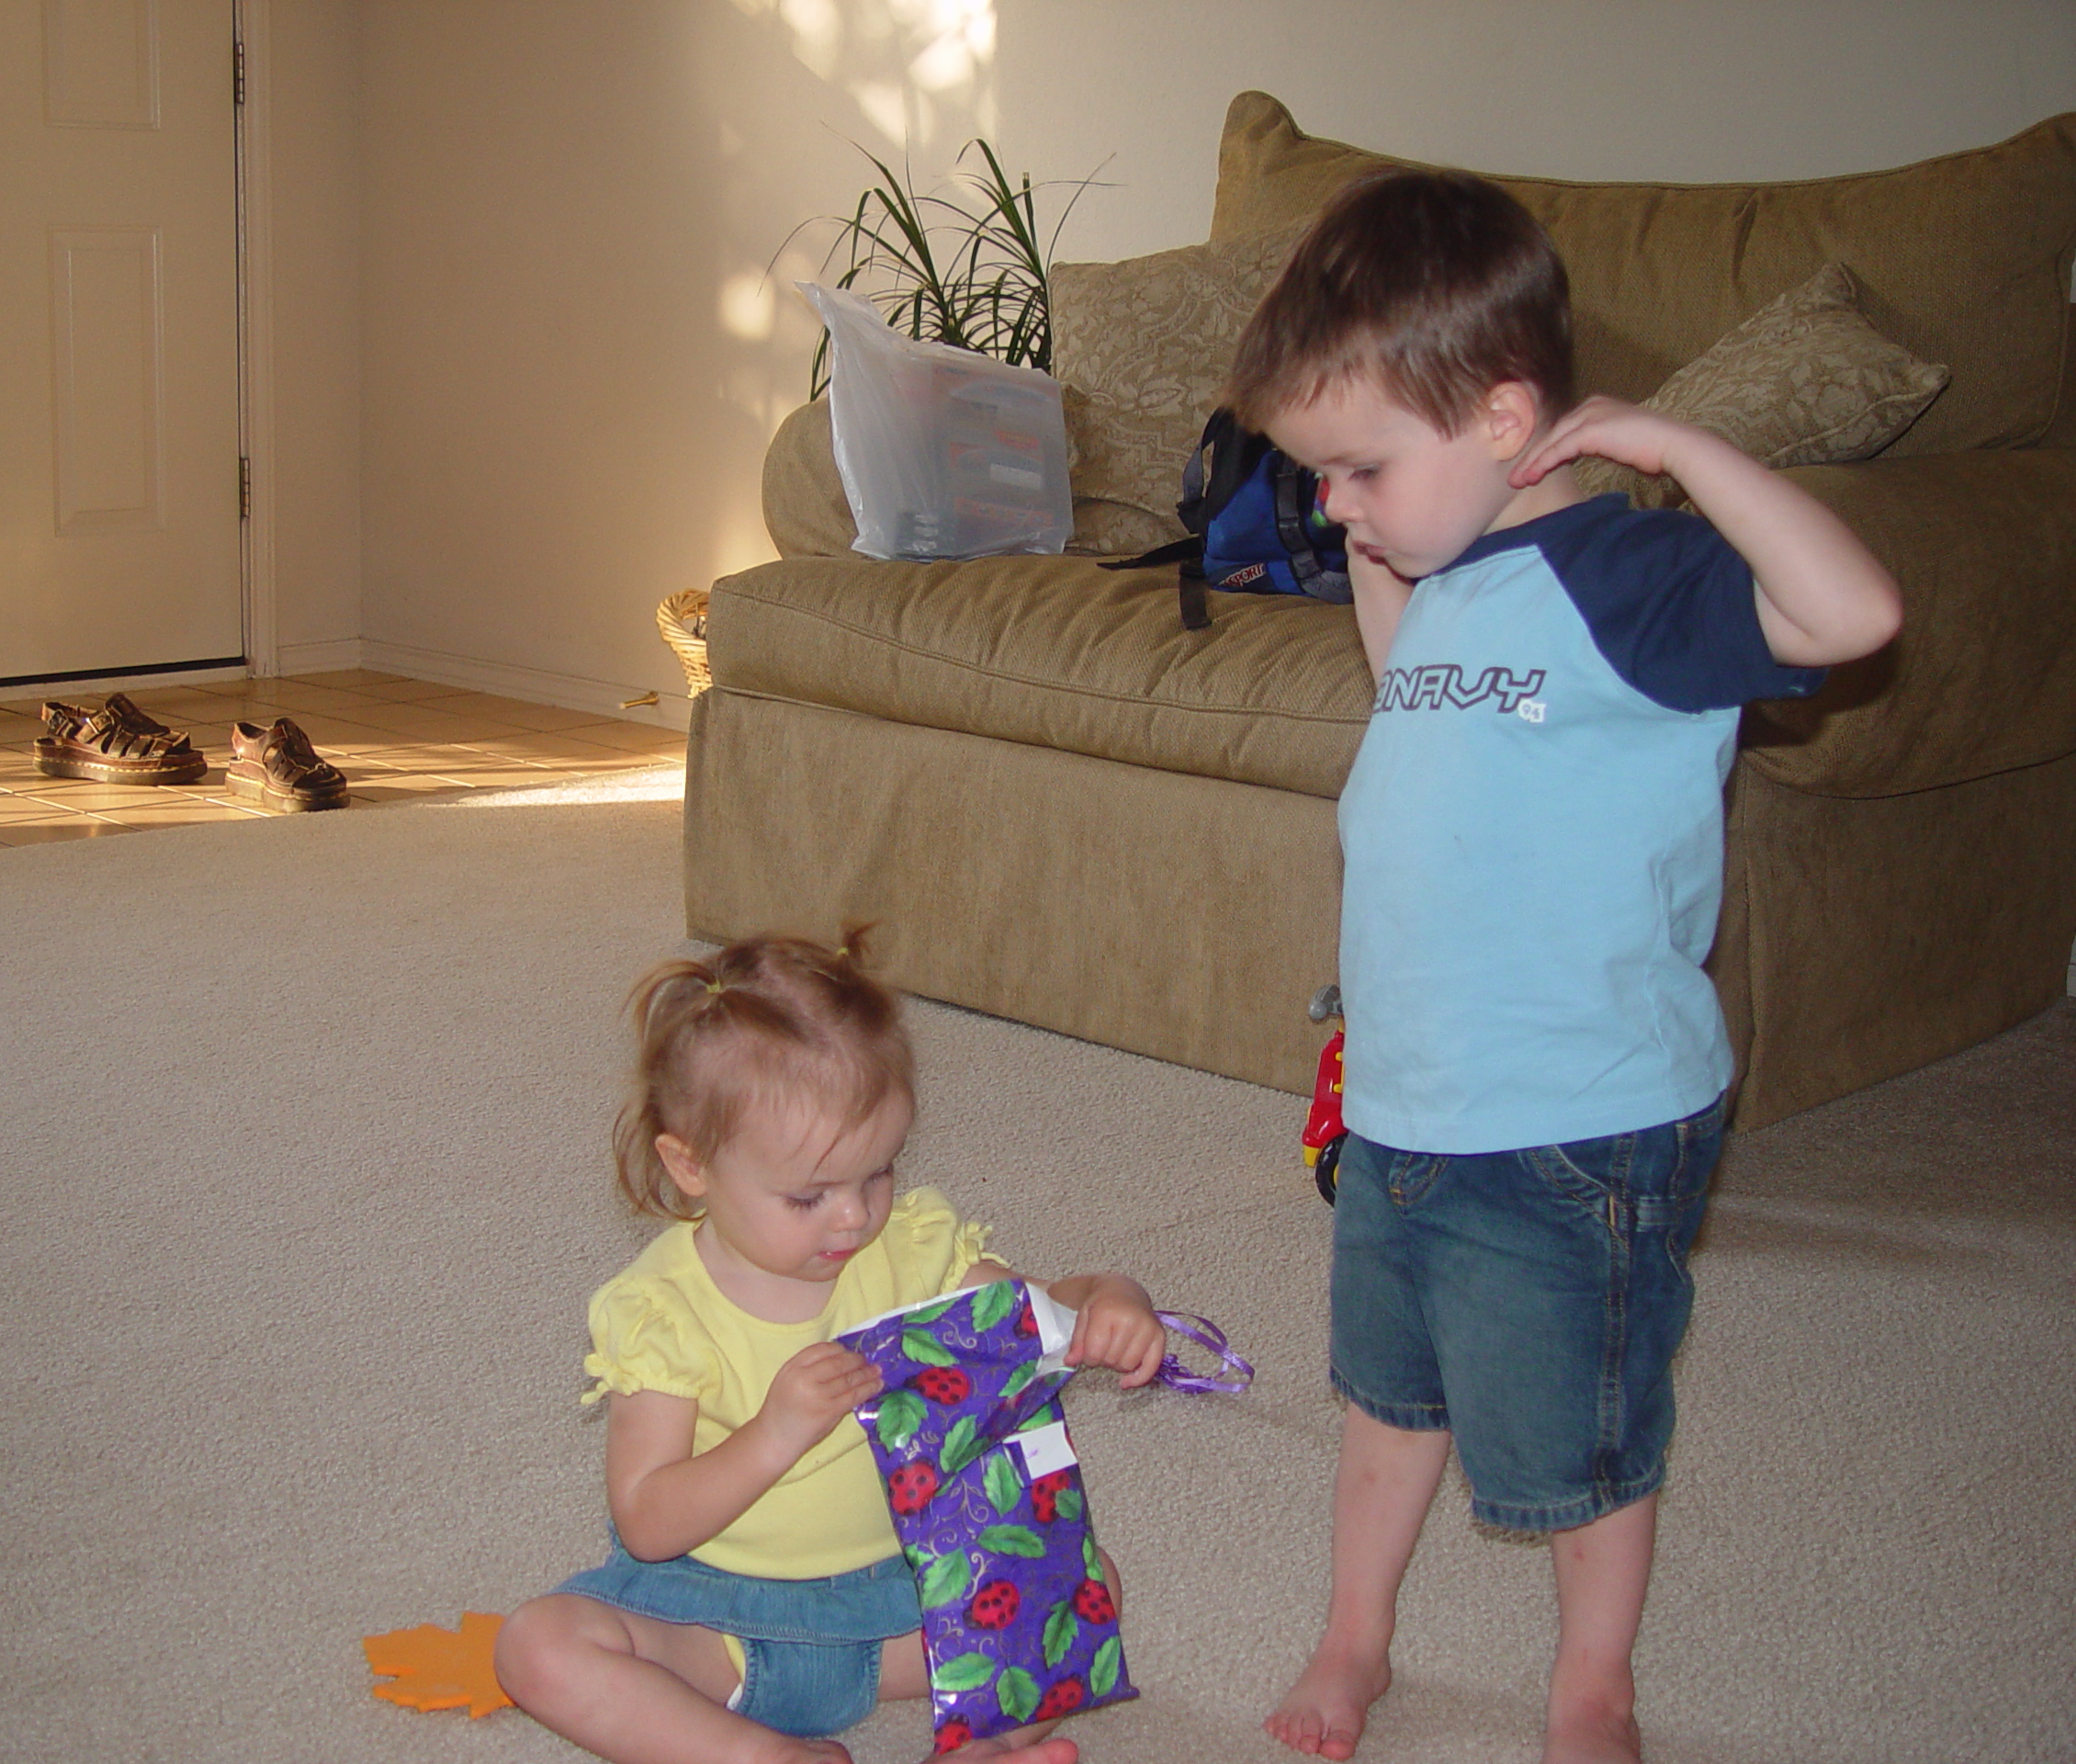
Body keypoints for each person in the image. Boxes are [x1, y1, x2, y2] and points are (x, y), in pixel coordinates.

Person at [1225, 170, 1902, 1764]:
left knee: (1580, 1439)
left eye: (1358, 468)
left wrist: (1673, 449)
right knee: (1385, 1399)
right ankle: (1355, 1635)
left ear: (1510, 417)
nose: (1336, 507)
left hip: (1576, 1127)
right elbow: (1406, 686)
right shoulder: (1449, 582)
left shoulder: (1637, 586)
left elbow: (1854, 610)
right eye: (1320, 474)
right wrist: (1394, 523)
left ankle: (1593, 1680)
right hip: (1405, 1110)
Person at [494, 930, 1167, 1764]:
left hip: (909, 1603)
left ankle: (975, 1752)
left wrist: (1108, 1300)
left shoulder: (914, 1251)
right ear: (691, 1166)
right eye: (810, 1195)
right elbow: (648, 1522)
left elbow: (1034, 1313)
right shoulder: (662, 1312)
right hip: (715, 1621)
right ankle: (755, 1755)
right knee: (537, 1645)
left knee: (1089, 1579)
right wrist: (775, 1431)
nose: (854, 1216)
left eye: (879, 1172)